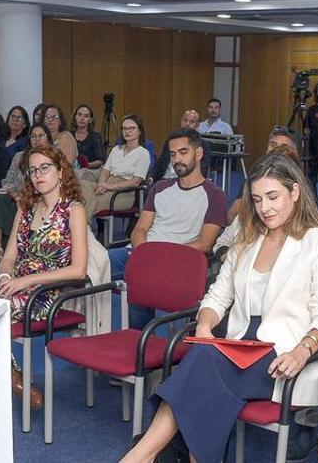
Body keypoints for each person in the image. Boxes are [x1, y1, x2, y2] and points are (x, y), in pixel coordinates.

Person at [122, 153, 318, 463]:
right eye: (256, 199)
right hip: (241, 348)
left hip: (286, 356)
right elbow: (216, 297)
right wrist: (204, 326)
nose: (264, 208)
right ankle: (159, 456)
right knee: (204, 360)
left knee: (201, 364)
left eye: (273, 197)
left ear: (294, 193)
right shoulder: (247, 241)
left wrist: (303, 350)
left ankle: (141, 455)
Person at [0, 145, 88, 409]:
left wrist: (26, 281)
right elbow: (8, 258)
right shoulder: (25, 209)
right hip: (15, 279)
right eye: (33, 170)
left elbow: (79, 270)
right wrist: (5, 276)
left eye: (45, 168)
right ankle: (11, 375)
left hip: (46, 291)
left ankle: (11, 380)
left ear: (61, 172)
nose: (38, 175)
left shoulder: (73, 210)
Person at [108, 128, 227, 328]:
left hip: (179, 260)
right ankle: (93, 329)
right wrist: (143, 252)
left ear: (198, 154)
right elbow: (140, 230)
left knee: (141, 277)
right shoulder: (160, 188)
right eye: (172, 154)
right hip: (143, 252)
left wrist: (159, 255)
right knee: (97, 263)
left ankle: (141, 340)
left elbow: (205, 244)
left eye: (183, 152)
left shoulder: (214, 195)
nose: (177, 160)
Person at [0, 123, 53, 261]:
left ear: (48, 138)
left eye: (41, 136)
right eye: (33, 136)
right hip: (16, 198)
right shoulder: (20, 157)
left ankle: (13, 256)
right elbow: (7, 181)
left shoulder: (53, 158)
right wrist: (15, 194)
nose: (37, 139)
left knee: (21, 207)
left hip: (39, 200)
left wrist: (26, 197)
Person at [82, 114, 151, 218]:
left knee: (90, 201)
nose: (127, 131)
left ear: (140, 131)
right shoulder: (116, 150)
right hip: (107, 184)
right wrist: (102, 184)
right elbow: (105, 171)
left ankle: (82, 231)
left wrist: (111, 187)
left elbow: (136, 181)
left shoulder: (143, 153)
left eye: (131, 128)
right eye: (124, 128)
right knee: (81, 186)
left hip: (124, 193)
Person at [153, 109, 213, 180]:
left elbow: (203, 170)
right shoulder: (171, 141)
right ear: (181, 122)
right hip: (164, 179)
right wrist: (152, 178)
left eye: (192, 122)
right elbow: (161, 163)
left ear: (197, 125)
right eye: (185, 120)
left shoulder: (203, 145)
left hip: (185, 181)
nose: (187, 124)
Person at [72, 104, 104, 170]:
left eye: (86, 116)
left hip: (88, 171)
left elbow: (100, 160)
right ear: (75, 117)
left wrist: (86, 165)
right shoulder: (68, 135)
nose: (82, 118)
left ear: (90, 120)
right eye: (79, 115)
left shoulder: (95, 137)